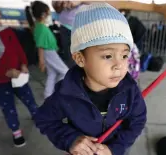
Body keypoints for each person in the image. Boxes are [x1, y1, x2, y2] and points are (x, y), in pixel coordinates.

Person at [34, 3, 147, 155]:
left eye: (124, 55)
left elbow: (137, 121)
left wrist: (115, 148)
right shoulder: (65, 94)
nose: (119, 65)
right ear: (80, 58)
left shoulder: (130, 90)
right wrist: (71, 139)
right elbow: (44, 119)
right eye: (108, 56)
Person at [0, 1, 38, 147]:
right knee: (8, 107)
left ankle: (38, 117)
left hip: (19, 77)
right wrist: (6, 72)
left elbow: (18, 49)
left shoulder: (6, 30)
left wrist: (23, 64)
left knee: (29, 99)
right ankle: (16, 131)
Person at [25, 1, 68, 99]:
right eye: (49, 12)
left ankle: (48, 94)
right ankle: (58, 91)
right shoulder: (41, 28)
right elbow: (40, 46)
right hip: (49, 52)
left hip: (50, 51)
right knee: (65, 72)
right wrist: (41, 61)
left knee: (52, 73)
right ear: (44, 14)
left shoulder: (39, 27)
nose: (50, 14)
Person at [52, 1, 88, 68]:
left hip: (80, 26)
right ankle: (73, 75)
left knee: (84, 53)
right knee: (69, 55)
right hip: (64, 27)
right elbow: (57, 9)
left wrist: (80, 1)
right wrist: (60, 4)